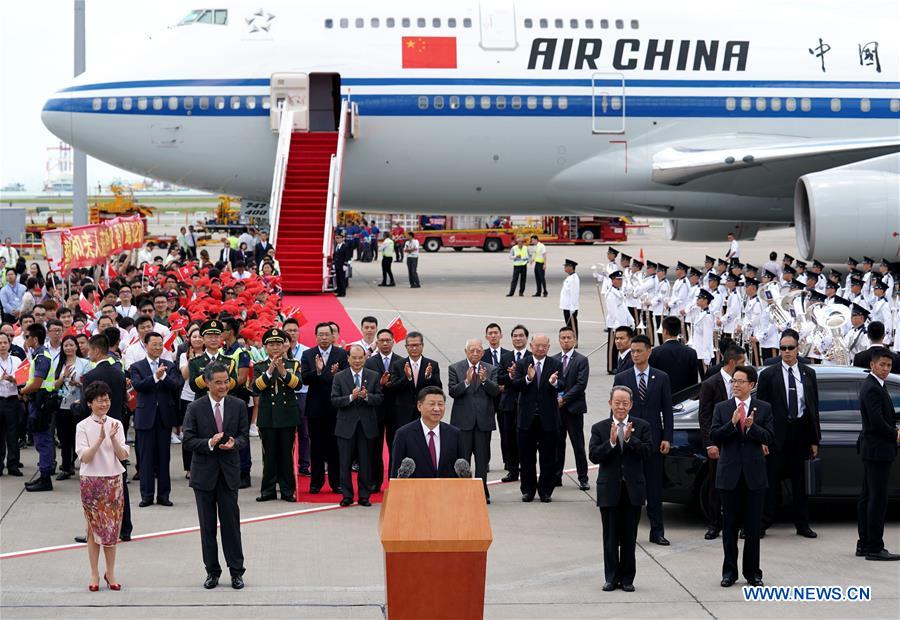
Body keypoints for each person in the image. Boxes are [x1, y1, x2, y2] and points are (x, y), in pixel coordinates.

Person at [182, 363, 249, 590]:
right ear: (207, 382)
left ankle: (236, 572)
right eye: (218, 382)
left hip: (229, 473)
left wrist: (234, 444)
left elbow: (244, 437)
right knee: (207, 526)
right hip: (204, 475)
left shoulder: (238, 405)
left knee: (231, 525)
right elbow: (188, 440)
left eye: (226, 381)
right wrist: (209, 443)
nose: (223, 386)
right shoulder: (195, 407)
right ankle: (212, 571)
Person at [711, 365, 772, 587]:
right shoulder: (722, 407)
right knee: (729, 528)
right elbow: (715, 435)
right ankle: (729, 572)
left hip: (754, 476)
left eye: (740, 381)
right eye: (733, 381)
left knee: (753, 529)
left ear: (751, 385)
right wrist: (733, 423)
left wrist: (752, 427)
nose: (735, 385)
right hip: (729, 476)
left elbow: (770, 437)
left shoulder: (763, 408)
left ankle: (753, 573)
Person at [756, 331, 821, 538]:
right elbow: (762, 409)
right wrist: (763, 438)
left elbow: (813, 408)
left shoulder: (808, 373)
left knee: (800, 484)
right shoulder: (768, 374)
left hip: (800, 434)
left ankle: (802, 525)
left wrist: (814, 439)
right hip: (776, 436)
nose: (786, 352)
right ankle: (763, 523)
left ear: (797, 349)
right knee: (771, 482)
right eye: (782, 348)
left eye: (790, 348)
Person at [589, 385, 651, 593]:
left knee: (629, 537)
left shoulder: (641, 426)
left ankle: (627, 579)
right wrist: (612, 442)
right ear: (610, 404)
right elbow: (594, 455)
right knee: (610, 537)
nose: (621, 407)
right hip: (609, 490)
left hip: (632, 490)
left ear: (631, 404)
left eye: (625, 403)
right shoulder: (599, 428)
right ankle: (611, 578)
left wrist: (629, 439)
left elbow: (647, 452)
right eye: (617, 403)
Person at [612, 335, 673, 545]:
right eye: (632, 351)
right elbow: (616, 410)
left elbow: (667, 410)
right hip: (629, 439)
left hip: (653, 440)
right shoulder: (622, 377)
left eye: (639, 351)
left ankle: (657, 531)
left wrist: (667, 437)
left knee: (654, 487)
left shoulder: (661, 377)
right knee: (629, 487)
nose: (635, 355)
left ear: (649, 351)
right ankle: (627, 532)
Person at [75, 381, 130, 592]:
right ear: (90, 403)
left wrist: (114, 440)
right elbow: (85, 457)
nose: (104, 403)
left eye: (106, 399)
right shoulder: (82, 426)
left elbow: (123, 455)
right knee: (92, 529)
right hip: (91, 482)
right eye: (99, 400)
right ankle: (94, 573)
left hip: (113, 480)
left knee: (112, 530)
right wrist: (98, 440)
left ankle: (111, 571)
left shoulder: (116, 423)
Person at [856, 348, 900, 561]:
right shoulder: (872, 387)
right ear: (872, 365)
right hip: (878, 450)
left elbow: (884, 414)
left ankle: (864, 544)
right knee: (877, 499)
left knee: (867, 497)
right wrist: (896, 435)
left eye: (889, 366)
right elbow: (876, 421)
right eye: (882, 365)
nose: (886, 369)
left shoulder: (875, 385)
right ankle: (875, 547)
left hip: (873, 449)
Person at [698, 344, 745, 540]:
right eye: (742, 362)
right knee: (716, 485)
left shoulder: (744, 382)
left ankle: (742, 524)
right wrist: (710, 443)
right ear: (732, 363)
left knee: (741, 483)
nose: (745, 366)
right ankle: (714, 524)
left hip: (739, 442)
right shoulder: (710, 384)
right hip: (718, 442)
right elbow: (704, 416)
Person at [130, 332, 182, 507]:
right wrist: (155, 377)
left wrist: (164, 376)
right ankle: (146, 495)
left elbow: (176, 385)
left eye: (160, 344)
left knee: (163, 457)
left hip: (164, 418)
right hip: (145, 417)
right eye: (155, 344)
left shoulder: (169, 365)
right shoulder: (137, 366)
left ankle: (164, 495)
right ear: (146, 345)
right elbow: (138, 386)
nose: (158, 347)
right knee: (146, 459)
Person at [511, 333, 562, 502]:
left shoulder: (556, 364)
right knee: (526, 458)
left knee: (548, 458)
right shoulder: (522, 364)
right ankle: (528, 490)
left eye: (544, 346)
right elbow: (515, 386)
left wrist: (554, 382)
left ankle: (545, 491)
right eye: (537, 345)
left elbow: (564, 384)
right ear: (531, 346)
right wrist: (528, 378)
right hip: (527, 420)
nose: (540, 349)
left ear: (548, 347)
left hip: (548, 420)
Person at [252, 328, 301, 502]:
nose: (275, 347)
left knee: (286, 455)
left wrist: (282, 371)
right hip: (268, 417)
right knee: (269, 454)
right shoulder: (259, 366)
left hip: (287, 416)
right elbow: (256, 387)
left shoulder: (293, 364)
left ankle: (288, 490)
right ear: (265, 347)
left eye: (278, 344)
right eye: (271, 344)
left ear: (284, 346)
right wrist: (270, 370)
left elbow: (297, 384)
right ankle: (268, 490)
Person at [330, 345, 383, 507]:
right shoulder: (339, 377)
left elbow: (380, 398)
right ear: (348, 358)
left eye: (360, 358)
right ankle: (346, 495)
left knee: (366, 462)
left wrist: (367, 397)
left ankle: (364, 495)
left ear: (365, 358)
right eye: (354, 358)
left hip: (367, 426)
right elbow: (334, 401)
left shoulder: (373, 376)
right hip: (346, 427)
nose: (358, 361)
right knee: (344, 463)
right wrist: (351, 397)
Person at [448, 338, 500, 503]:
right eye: (472, 350)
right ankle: (462, 492)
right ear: (466, 352)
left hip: (483, 423)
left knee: (482, 461)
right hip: (463, 423)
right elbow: (453, 392)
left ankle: (481, 492)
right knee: (463, 460)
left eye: (478, 350)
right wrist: (467, 382)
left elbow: (495, 392)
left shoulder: (491, 369)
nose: (475, 353)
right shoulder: (455, 368)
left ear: (483, 352)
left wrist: (484, 380)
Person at [300, 322, 349, 494]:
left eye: (327, 334)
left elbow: (346, 378)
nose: (324, 337)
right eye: (320, 334)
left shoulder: (342, 354)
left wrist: (332, 375)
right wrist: (319, 372)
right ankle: (316, 482)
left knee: (335, 446)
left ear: (333, 336)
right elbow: (305, 379)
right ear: (316, 336)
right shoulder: (308, 354)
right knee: (316, 447)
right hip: (315, 408)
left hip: (335, 408)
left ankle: (336, 482)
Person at [391, 386, 465, 477]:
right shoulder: (403, 434)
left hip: (446, 490)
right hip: (415, 490)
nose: (437, 409)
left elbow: (461, 471)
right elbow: (395, 473)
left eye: (440, 404)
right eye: (432, 404)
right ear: (419, 406)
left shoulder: (455, 434)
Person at [364, 328, 403, 493]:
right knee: (375, 447)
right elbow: (366, 386)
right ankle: (375, 481)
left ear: (393, 342)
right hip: (376, 411)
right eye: (382, 341)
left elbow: (403, 386)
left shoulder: (401, 361)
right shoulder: (370, 362)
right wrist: (380, 384)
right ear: (377, 343)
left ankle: (393, 480)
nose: (385, 343)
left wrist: (391, 385)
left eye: (388, 340)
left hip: (395, 411)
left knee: (395, 447)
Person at [21, 323, 58, 492]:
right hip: (39, 400)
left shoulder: (42, 356)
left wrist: (23, 390)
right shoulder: (38, 355)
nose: (25, 340)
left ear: (35, 339)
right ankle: (43, 475)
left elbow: (36, 383)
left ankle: (45, 478)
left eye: (27, 337)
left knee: (43, 440)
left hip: (42, 401)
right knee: (40, 438)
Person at [554, 325, 590, 490]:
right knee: (558, 444)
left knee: (578, 444)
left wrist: (564, 399)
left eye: (569, 338)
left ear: (574, 340)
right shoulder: (554, 360)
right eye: (563, 338)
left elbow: (581, 384)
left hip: (573, 409)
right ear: (559, 340)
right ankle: (556, 476)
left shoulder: (581, 360)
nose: (566, 340)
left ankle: (583, 477)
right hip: (557, 410)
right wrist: (556, 398)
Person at [53, 334, 91, 481]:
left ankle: (83, 465)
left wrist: (78, 384)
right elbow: (54, 385)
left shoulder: (84, 363)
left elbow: (88, 384)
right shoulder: (58, 363)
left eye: (71, 345)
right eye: (66, 345)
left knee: (80, 437)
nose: (68, 348)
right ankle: (66, 467)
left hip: (79, 404)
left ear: (76, 346)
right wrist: (63, 377)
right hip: (62, 404)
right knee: (64, 437)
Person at [392, 331, 443, 431]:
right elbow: (394, 388)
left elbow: (438, 388)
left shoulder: (432, 364)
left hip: (425, 411)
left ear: (422, 346)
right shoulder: (398, 365)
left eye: (417, 345)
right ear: (406, 347)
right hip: (404, 411)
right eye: (411, 345)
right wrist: (407, 378)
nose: (414, 348)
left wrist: (429, 377)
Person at [497, 324, 528, 482]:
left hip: (526, 404)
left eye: (521, 335)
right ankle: (512, 470)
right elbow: (499, 378)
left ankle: (526, 469)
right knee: (508, 438)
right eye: (515, 336)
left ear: (526, 338)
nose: (518, 338)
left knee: (525, 438)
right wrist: (509, 376)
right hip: (509, 404)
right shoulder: (505, 357)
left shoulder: (531, 356)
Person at [649, 317, 701, 396]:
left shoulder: (655, 352)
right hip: (685, 398)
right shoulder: (691, 352)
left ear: (665, 331)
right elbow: (694, 381)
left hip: (663, 397)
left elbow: (653, 379)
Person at [179, 324, 204, 479]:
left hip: (203, 397)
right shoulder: (184, 355)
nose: (197, 339)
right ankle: (188, 467)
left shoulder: (209, 354)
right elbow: (185, 376)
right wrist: (191, 360)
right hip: (188, 397)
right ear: (189, 339)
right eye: (194, 336)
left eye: (200, 336)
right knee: (188, 432)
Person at [0, 332, 23, 476]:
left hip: (13, 400)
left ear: (9, 344)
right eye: (0, 343)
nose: (2, 346)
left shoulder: (16, 360)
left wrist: (13, 380)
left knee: (13, 434)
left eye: (4, 343)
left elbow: (23, 380)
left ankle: (13, 464)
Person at [604, 271, 634, 374]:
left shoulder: (619, 292)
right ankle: (611, 367)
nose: (620, 281)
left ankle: (619, 365)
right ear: (612, 280)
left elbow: (624, 308)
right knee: (613, 347)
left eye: (621, 279)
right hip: (615, 325)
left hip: (622, 323)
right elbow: (613, 312)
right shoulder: (610, 294)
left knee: (622, 347)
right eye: (618, 279)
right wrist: (617, 327)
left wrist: (631, 320)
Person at [559, 259, 580, 337]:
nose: (565, 268)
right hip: (566, 306)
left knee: (572, 326)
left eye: (566, 266)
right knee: (569, 326)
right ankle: (571, 340)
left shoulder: (574, 279)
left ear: (571, 267)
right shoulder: (570, 277)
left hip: (570, 307)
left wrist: (573, 307)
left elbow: (574, 294)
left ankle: (574, 341)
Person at [332, 233, 351, 297]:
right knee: (338, 279)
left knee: (342, 279)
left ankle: (343, 292)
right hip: (337, 264)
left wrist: (345, 264)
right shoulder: (336, 246)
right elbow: (335, 255)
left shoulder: (345, 246)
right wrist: (334, 263)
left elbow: (347, 256)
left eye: (338, 238)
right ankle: (339, 291)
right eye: (336, 238)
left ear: (342, 238)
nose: (337, 239)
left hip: (342, 265)